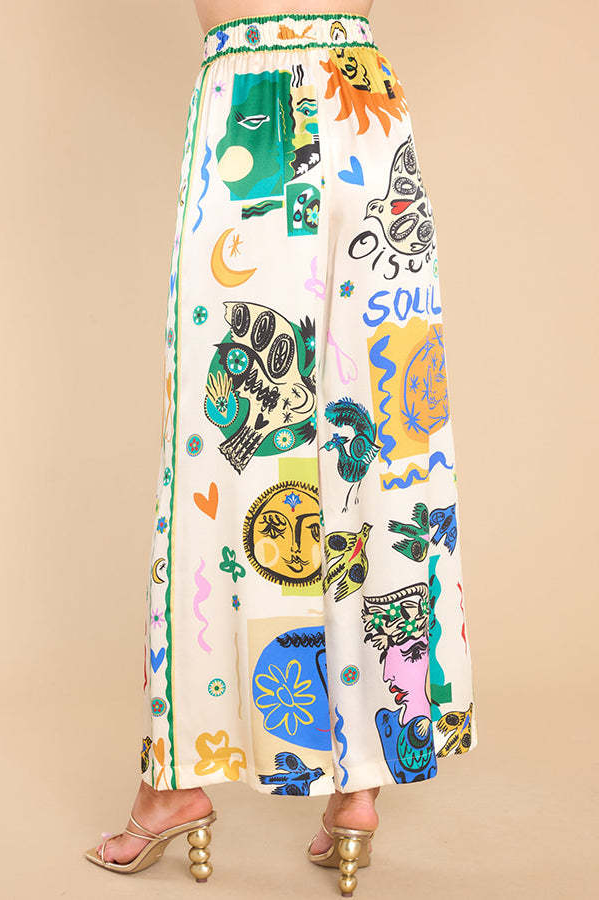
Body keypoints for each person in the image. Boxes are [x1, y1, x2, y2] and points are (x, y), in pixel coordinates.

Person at [84, 2, 477, 895]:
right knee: (381, 424)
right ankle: (359, 784)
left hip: (250, 103)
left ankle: (173, 783)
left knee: (226, 439)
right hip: (364, 105)